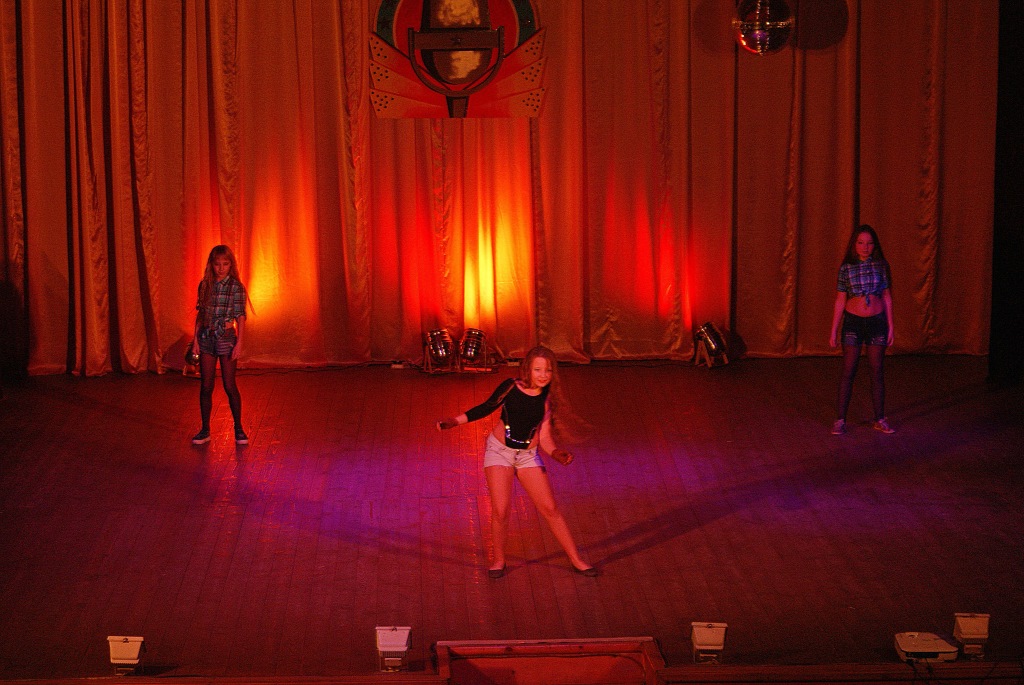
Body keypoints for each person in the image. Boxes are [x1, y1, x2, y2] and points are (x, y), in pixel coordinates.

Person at [437, 346, 597, 578]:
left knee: (550, 508)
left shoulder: (546, 400)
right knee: (501, 510)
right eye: (538, 370)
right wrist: (455, 421)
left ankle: (576, 560)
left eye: (547, 370)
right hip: (499, 452)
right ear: (528, 369)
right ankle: (498, 560)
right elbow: (486, 407)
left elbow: (544, 437)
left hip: (527, 457)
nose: (543, 375)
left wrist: (556, 453)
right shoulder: (511, 387)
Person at [829, 225, 895, 435]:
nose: (865, 247)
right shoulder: (846, 268)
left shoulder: (881, 266)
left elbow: (887, 297)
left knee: (877, 370)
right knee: (849, 370)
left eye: (869, 243)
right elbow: (840, 299)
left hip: (877, 322)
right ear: (854, 245)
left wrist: (891, 326)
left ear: (874, 245)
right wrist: (833, 330)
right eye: (860, 243)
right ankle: (840, 419)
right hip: (853, 323)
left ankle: (880, 419)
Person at [191, 245, 250, 445]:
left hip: (226, 337)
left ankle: (239, 428)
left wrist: (239, 342)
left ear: (231, 265)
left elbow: (240, 316)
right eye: (217, 264)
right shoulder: (205, 285)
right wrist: (196, 340)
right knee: (206, 385)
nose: (221, 268)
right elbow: (200, 314)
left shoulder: (236, 287)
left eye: (225, 264)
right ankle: (205, 429)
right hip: (207, 336)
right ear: (212, 264)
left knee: (229, 384)